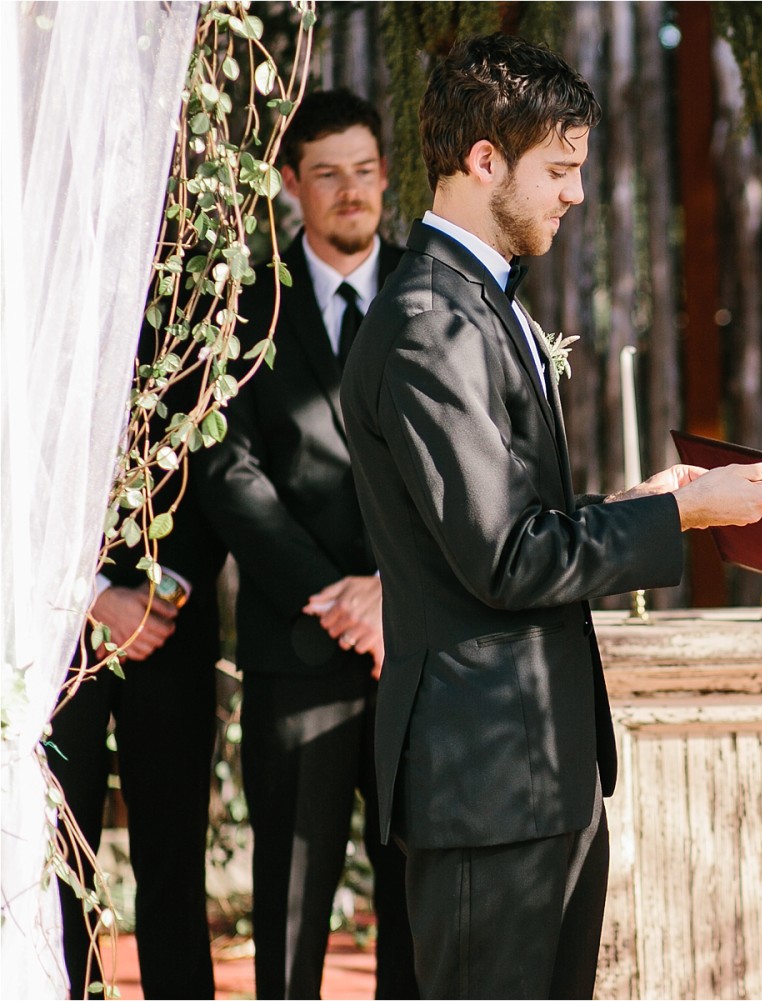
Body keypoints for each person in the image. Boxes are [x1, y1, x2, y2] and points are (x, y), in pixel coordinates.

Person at [339, 34, 762, 999]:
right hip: (485, 781)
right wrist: (689, 519)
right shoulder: (432, 323)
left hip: (537, 770)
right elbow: (503, 556)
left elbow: (506, 519)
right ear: (483, 160)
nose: (574, 194)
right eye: (559, 169)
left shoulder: (478, 305)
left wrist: (635, 508)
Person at [195, 89, 418, 999]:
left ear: (385, 178)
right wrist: (338, 595)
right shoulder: (247, 307)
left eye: (364, 171)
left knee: (415, 885)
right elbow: (226, 475)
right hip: (301, 644)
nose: (350, 191)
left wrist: (390, 593)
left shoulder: (435, 293)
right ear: (291, 184)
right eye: (327, 174)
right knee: (289, 899)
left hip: (417, 645)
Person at [46, 353, 226, 998]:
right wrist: (91, 593)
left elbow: (222, 458)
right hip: (60, 625)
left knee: (174, 853)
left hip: (171, 624)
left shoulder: (202, 282)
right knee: (61, 853)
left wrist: (164, 592)